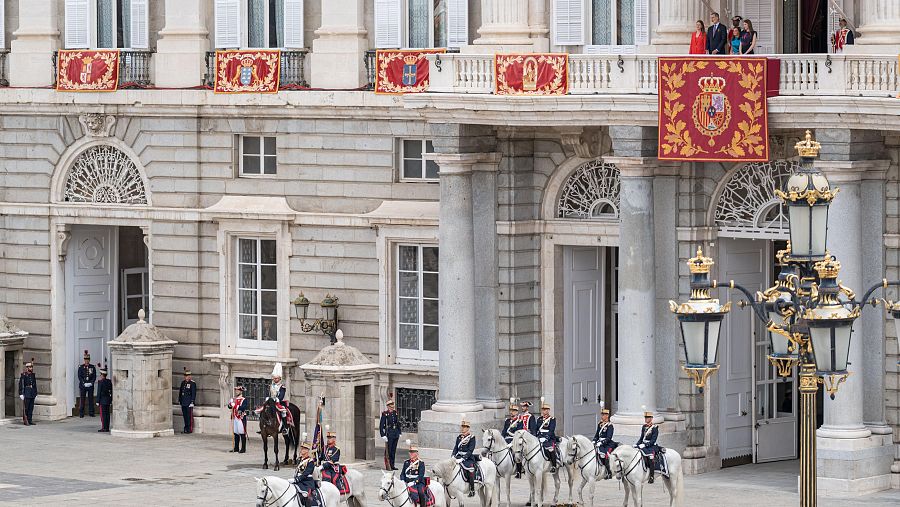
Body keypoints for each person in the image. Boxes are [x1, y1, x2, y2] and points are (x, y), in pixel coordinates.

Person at [452, 417, 478, 497]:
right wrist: (453, 456)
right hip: (458, 456)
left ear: (468, 428)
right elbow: (455, 448)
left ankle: (472, 489)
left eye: (464, 427)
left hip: (468, 458)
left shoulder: (472, 438)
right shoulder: (459, 437)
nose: (462, 428)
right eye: (462, 427)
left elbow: (470, 451)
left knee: (470, 470)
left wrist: (463, 459)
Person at [591, 401, 618, 479]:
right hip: (599, 442)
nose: (602, 416)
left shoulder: (610, 426)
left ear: (607, 416)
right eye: (602, 414)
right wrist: (594, 440)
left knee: (604, 455)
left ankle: (608, 472)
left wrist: (601, 443)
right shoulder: (600, 424)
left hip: (607, 444)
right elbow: (597, 435)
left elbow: (609, 438)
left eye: (604, 415)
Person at [401, 441, 430, 507]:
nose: (411, 454)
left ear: (416, 453)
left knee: (421, 492)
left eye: (413, 452)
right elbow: (402, 474)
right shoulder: (406, 462)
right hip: (407, 482)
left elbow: (421, 476)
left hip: (418, 483)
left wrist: (414, 482)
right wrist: (402, 480)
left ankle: (423, 505)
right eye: (410, 452)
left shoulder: (421, 463)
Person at [635, 408, 660, 484]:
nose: (646, 419)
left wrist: (645, 445)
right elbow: (641, 438)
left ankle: (651, 476)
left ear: (651, 418)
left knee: (650, 457)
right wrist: (637, 444)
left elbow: (653, 440)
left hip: (651, 446)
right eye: (645, 418)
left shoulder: (655, 428)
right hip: (643, 445)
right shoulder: (644, 427)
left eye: (648, 418)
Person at [536, 398, 559, 473]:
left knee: (550, 449)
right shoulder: (539, 419)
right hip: (540, 437)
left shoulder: (552, 419)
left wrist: (546, 437)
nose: (544, 411)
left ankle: (553, 466)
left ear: (548, 410)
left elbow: (551, 430)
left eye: (546, 409)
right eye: (543, 409)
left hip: (549, 437)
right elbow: (537, 429)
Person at [321, 427, 346, 492]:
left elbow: (332, 460)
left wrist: (323, 466)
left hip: (332, 468)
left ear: (334, 439)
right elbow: (321, 457)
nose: (328, 439)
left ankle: (337, 491)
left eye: (330, 438)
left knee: (331, 477)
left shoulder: (336, 449)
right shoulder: (324, 448)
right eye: (328, 438)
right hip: (324, 467)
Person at [269, 362, 292, 434]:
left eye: (276, 378)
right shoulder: (271, 386)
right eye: (274, 378)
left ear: (279, 378)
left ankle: (285, 427)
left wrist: (277, 399)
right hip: (271, 401)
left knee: (283, 411)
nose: (275, 379)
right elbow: (270, 394)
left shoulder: (282, 387)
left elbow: (281, 396)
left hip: (280, 402)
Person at [294, 439, 317, 507]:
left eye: (304, 449)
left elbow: (306, 473)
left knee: (305, 495)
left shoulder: (310, 461)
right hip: (299, 480)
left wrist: (298, 479)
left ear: (307, 450)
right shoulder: (299, 460)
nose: (301, 450)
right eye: (301, 448)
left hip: (307, 482)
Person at [379, 398, 402, 470]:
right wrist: (383, 435)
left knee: (393, 451)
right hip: (389, 433)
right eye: (391, 406)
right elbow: (381, 425)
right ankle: (388, 465)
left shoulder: (395, 413)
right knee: (388, 451)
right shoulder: (385, 414)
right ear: (388, 406)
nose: (392, 408)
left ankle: (392, 465)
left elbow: (398, 423)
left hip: (395, 433)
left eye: (393, 406)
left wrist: (399, 432)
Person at [228, 385, 249, 453]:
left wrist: (235, 405)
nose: (236, 392)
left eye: (237, 390)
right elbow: (230, 407)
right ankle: (236, 447)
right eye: (236, 390)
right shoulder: (234, 399)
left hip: (241, 417)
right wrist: (230, 404)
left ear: (241, 391)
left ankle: (243, 448)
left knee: (242, 432)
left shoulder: (244, 399)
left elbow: (243, 408)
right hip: (234, 417)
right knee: (236, 432)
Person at [77, 350, 97, 418]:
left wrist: (91, 383)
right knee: (82, 399)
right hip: (83, 385)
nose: (86, 361)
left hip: (90, 385)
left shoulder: (92, 367)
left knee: (91, 399)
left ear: (89, 360)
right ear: (84, 360)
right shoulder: (81, 367)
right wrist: (83, 383)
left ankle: (91, 412)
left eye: (88, 359)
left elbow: (94, 376)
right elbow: (79, 376)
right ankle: (81, 413)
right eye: (85, 359)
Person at [178, 368, 197, 434]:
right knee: (185, 416)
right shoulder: (183, 383)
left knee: (189, 416)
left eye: (188, 376)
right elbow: (181, 392)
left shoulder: (192, 383)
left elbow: (193, 393)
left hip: (189, 402)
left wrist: (192, 401)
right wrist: (180, 400)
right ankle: (186, 428)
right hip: (183, 402)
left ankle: (189, 429)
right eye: (186, 376)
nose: (187, 377)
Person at [18, 359, 37, 426]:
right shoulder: (23, 375)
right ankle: (25, 420)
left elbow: (35, 385)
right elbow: (21, 384)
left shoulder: (33, 375)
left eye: (31, 367)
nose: (31, 368)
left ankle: (30, 420)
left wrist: (35, 393)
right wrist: (21, 393)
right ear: (27, 368)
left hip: (32, 393)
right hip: (26, 392)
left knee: (31, 407)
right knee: (26, 407)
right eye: (29, 367)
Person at [96, 366, 112, 432]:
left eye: (100, 374)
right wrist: (111, 400)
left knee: (103, 415)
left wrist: (97, 401)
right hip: (108, 400)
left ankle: (104, 427)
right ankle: (107, 427)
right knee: (107, 414)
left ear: (102, 375)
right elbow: (111, 391)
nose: (100, 375)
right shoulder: (109, 381)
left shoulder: (100, 382)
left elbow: (99, 392)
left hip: (102, 401)